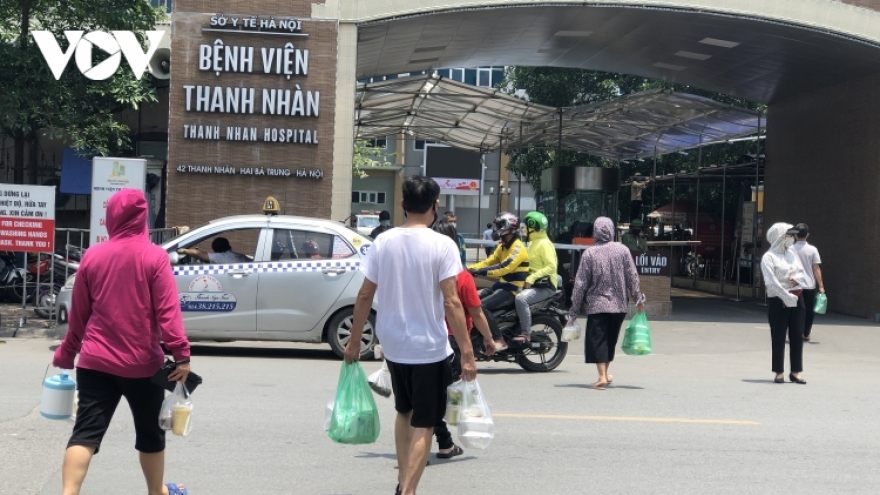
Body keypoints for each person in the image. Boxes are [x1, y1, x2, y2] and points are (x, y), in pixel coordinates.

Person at [343, 175, 477, 495]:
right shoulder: (443, 244)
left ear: (402, 204)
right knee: (426, 423)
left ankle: (404, 483)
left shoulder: (382, 242)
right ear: (436, 204)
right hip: (429, 347)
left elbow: (363, 296)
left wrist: (353, 341)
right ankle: (407, 491)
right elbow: (451, 301)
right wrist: (468, 353)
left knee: (404, 412)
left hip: (393, 344)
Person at [52, 189, 191, 495]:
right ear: (143, 218)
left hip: (94, 363)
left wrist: (66, 353)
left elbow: (79, 317)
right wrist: (181, 355)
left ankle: (67, 493)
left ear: (111, 216)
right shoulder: (154, 256)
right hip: (143, 366)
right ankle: (157, 492)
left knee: (85, 434)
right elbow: (168, 314)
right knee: (151, 434)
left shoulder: (93, 256)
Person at [430, 220, 496, 460]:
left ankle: (443, 438)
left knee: (432, 394)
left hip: (427, 340)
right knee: (448, 393)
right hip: (454, 342)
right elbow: (476, 312)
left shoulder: (425, 272)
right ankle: (445, 439)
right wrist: (489, 339)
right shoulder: (461, 276)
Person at [566, 217, 645, 390]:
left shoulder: (589, 254)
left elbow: (580, 284)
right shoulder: (622, 250)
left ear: (595, 231)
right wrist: (639, 298)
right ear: (611, 231)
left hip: (597, 305)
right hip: (618, 305)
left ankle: (601, 376)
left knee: (598, 340)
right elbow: (632, 276)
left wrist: (573, 311)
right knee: (610, 340)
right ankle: (605, 374)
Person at [467, 212, 530, 351]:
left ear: (508, 227)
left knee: (482, 306)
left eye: (500, 225)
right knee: (470, 301)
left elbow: (504, 267)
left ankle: (499, 339)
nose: (496, 229)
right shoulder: (503, 246)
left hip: (511, 290)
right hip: (501, 286)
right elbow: (489, 261)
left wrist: (481, 272)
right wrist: (469, 269)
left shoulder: (518, 248)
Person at [761, 223, 809, 384]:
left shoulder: (792, 254)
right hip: (778, 300)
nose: (791, 239)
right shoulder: (769, 257)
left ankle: (795, 371)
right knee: (778, 336)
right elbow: (770, 282)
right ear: (780, 237)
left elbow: (803, 274)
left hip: (797, 297)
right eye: (789, 235)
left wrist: (796, 279)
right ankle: (778, 371)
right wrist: (785, 296)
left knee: (797, 335)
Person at [513, 211, 558, 343]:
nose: (523, 229)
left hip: (545, 285)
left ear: (534, 228)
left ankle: (526, 333)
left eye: (525, 227)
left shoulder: (544, 244)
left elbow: (552, 266)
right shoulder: (532, 242)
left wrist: (531, 278)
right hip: (534, 283)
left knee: (521, 299)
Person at [792, 223, 825, 342]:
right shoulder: (812, 250)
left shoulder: (789, 249)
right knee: (808, 310)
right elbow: (816, 268)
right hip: (809, 285)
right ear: (808, 235)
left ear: (795, 236)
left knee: (794, 310)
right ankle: (806, 332)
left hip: (793, 285)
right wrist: (821, 286)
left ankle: (794, 332)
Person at [177, 236, 248, 263]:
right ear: (228, 246)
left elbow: (198, 253)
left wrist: (183, 250)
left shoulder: (220, 257)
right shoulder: (240, 256)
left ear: (216, 250)